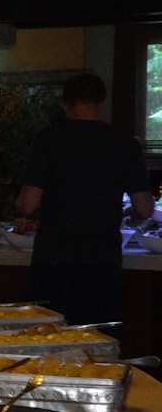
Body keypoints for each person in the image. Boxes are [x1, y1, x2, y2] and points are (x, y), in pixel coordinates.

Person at [17, 73, 156, 326]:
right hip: (101, 259)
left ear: (65, 103)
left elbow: (28, 204)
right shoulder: (124, 142)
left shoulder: (48, 140)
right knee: (98, 337)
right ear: (101, 101)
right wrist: (131, 216)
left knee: (49, 336)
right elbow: (145, 208)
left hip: (54, 258)